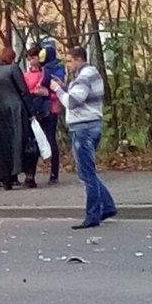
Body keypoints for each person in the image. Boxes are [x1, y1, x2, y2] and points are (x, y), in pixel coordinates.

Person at [50, 46, 117, 229]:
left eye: (70, 61)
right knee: (88, 171)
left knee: (86, 174)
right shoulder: (87, 75)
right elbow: (79, 95)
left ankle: (93, 215)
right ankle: (108, 206)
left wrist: (58, 90)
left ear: (79, 59)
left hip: (83, 128)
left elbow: (72, 102)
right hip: (89, 126)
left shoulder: (85, 76)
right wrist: (65, 86)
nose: (68, 65)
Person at [0, 47, 37, 190]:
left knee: (3, 145)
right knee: (24, 141)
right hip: (16, 109)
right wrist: (31, 111)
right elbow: (23, 91)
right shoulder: (13, 69)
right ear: (11, 58)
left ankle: (6, 178)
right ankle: (29, 176)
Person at [23, 41, 65, 185]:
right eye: (29, 59)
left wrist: (48, 94)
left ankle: (54, 173)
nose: (31, 62)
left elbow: (58, 91)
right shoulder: (26, 75)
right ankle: (30, 175)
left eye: (33, 58)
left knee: (51, 139)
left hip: (50, 109)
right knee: (33, 142)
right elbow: (25, 93)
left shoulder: (50, 70)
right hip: (34, 110)